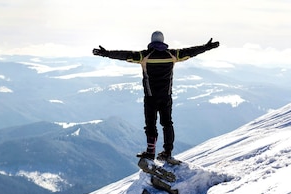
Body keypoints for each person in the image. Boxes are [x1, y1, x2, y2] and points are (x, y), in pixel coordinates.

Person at [92, 31, 219, 161]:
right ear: (163, 41)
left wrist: (106, 53)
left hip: (150, 97)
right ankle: (167, 152)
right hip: (166, 96)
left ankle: (150, 152)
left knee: (150, 125)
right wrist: (207, 47)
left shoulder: (144, 56)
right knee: (167, 123)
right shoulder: (173, 55)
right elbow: (191, 52)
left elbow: (125, 55)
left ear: (151, 41)